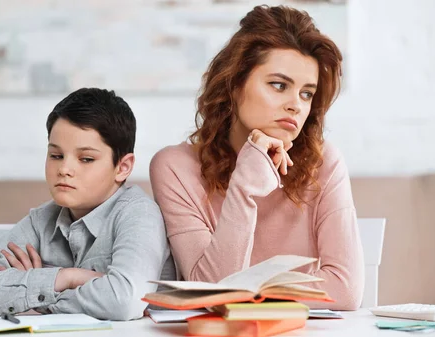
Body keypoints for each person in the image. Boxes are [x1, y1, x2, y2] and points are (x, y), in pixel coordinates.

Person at [149, 5, 363, 310]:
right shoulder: (174, 167)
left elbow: (346, 289)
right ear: (235, 84)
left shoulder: (324, 162)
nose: (296, 106)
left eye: (306, 93)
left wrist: (244, 291)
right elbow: (211, 293)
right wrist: (245, 186)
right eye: (279, 85)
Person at [0, 88, 173, 320]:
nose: (64, 169)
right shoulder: (40, 220)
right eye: (56, 155)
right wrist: (67, 277)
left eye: (86, 159)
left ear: (122, 167)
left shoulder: (139, 214)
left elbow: (125, 301)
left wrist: (38, 296)